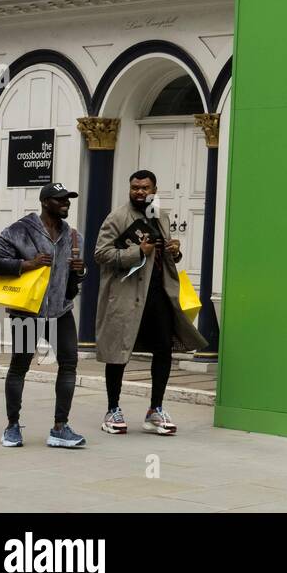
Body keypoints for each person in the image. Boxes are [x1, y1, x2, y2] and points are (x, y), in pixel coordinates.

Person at [93, 170, 207, 434]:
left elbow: (163, 257)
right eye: (135, 187)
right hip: (126, 296)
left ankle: (155, 409)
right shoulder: (117, 217)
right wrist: (136, 252)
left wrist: (175, 252)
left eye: (145, 188)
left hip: (158, 295)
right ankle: (112, 410)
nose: (140, 192)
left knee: (163, 350)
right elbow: (101, 253)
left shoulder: (161, 216)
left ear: (154, 189)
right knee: (118, 352)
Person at [0, 182, 88, 448]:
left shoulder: (74, 236)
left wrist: (80, 270)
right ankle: (12, 427)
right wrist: (27, 264)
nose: (66, 203)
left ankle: (60, 428)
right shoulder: (19, 231)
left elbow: (73, 282)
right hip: (27, 310)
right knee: (20, 366)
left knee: (68, 364)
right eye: (60, 199)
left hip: (61, 310)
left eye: (68, 199)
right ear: (45, 202)